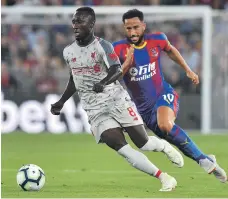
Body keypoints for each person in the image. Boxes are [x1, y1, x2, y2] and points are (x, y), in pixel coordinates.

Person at [50, 7, 184, 192]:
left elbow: (117, 69)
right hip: (94, 109)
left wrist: (103, 83)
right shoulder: (68, 52)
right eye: (74, 21)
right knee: (121, 148)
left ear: (91, 24)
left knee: (143, 143)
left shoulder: (103, 46)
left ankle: (163, 146)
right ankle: (165, 178)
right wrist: (62, 101)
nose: (75, 25)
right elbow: (75, 78)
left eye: (80, 21)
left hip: (116, 100)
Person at [112, 9, 227, 183]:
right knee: (171, 136)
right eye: (128, 28)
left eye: (136, 27)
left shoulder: (157, 40)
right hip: (143, 110)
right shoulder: (118, 49)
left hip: (163, 94)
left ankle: (205, 162)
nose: (132, 32)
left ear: (143, 26)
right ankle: (205, 159)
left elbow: (171, 50)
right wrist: (127, 64)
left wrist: (188, 70)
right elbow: (114, 78)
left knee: (165, 124)